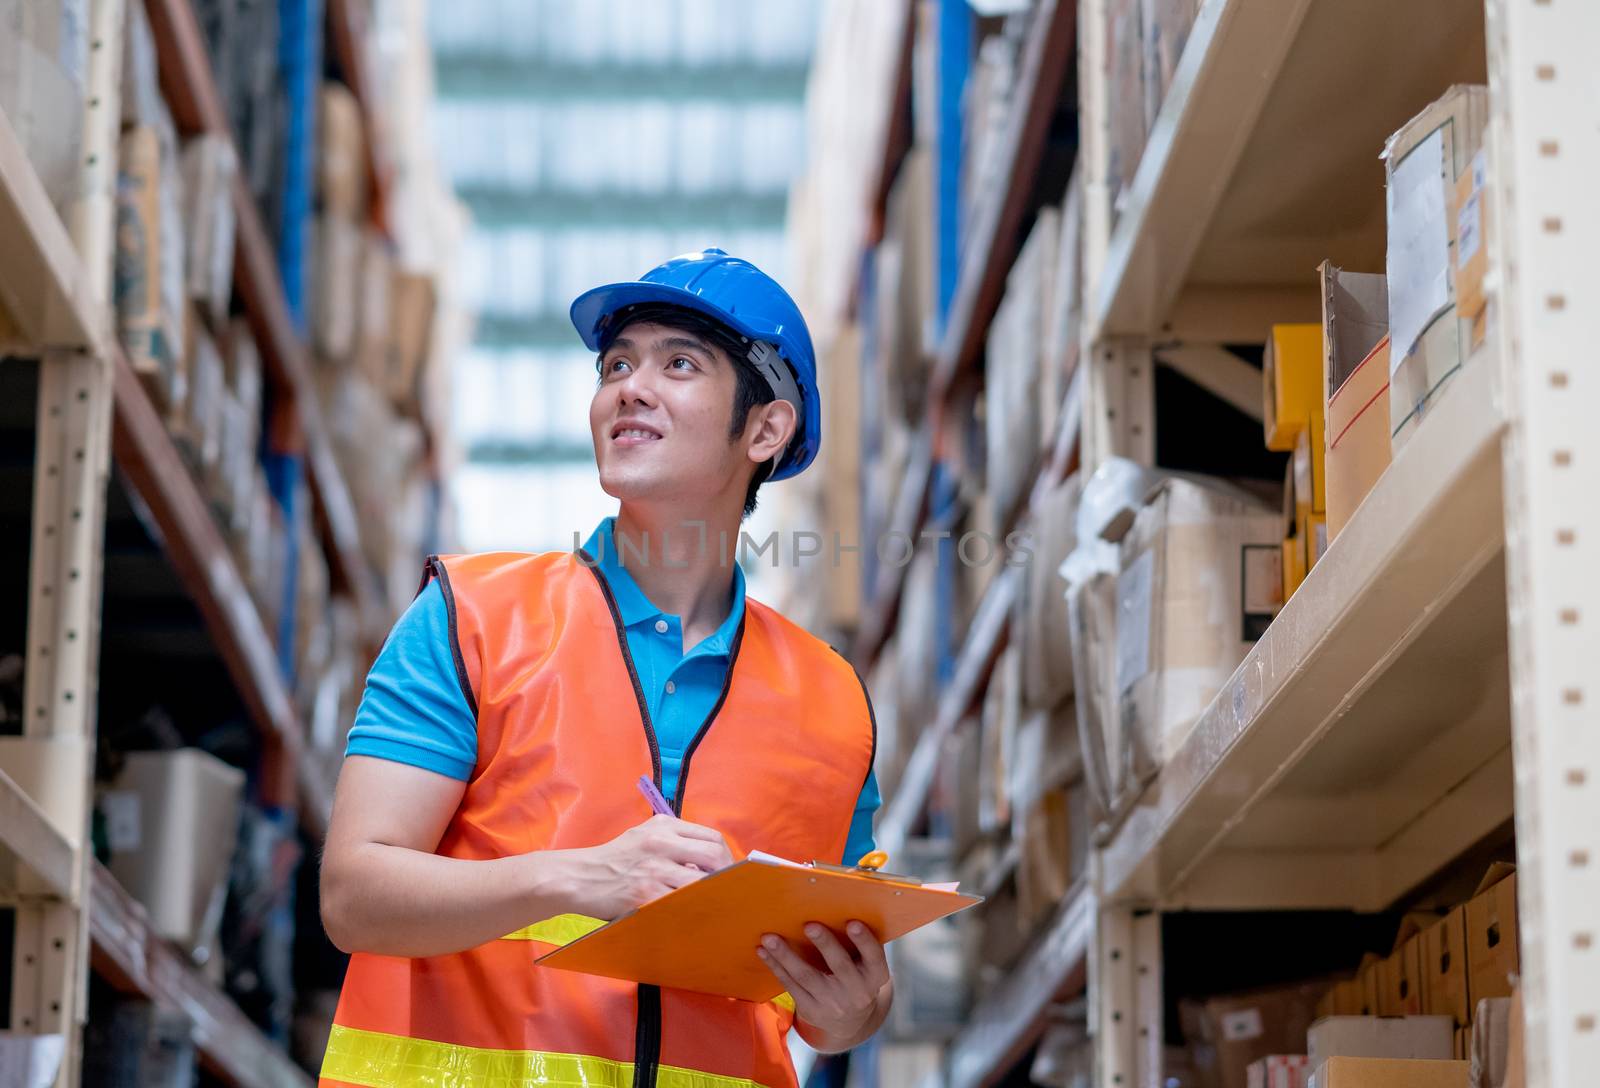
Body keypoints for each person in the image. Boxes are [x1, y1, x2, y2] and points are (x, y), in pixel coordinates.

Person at [317, 248, 891, 1088]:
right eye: (616, 364)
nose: (630, 386)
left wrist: (853, 1013)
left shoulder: (831, 702)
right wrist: (578, 877)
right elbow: (353, 893)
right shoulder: (473, 618)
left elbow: (827, 991)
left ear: (766, 429)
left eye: (679, 364)